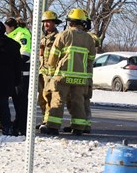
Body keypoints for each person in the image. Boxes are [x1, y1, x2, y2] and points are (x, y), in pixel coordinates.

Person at [39, 8, 96, 136]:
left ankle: (53, 127)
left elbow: (54, 56)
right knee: (78, 102)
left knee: (57, 100)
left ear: (70, 22)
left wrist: (52, 72)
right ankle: (78, 127)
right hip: (80, 78)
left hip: (63, 76)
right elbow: (91, 59)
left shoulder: (64, 35)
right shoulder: (88, 38)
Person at [4, 17, 32, 135]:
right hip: (16, 74)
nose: (5, 31)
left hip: (22, 74)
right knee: (16, 101)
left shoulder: (22, 34)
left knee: (21, 101)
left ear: (12, 27)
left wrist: (11, 65)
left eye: (6, 28)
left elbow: (25, 55)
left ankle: (22, 126)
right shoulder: (13, 35)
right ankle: (18, 124)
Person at [38, 10, 62, 125]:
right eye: (44, 22)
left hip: (51, 74)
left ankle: (48, 121)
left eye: (49, 22)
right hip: (41, 72)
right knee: (41, 99)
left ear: (54, 23)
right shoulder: (42, 38)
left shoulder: (58, 37)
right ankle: (44, 119)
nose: (46, 24)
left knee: (49, 97)